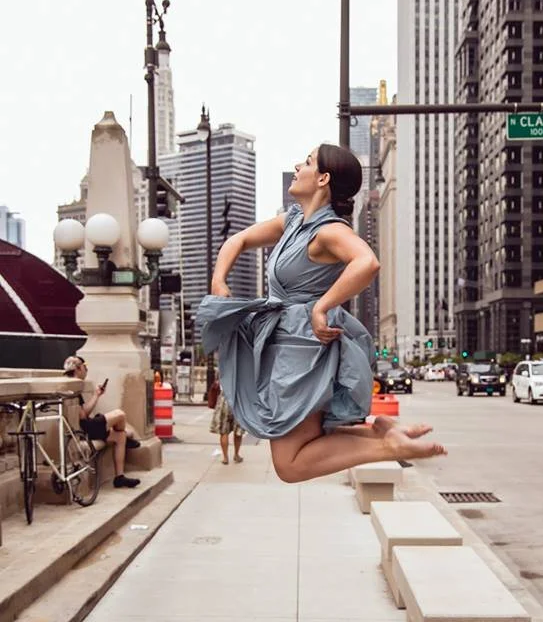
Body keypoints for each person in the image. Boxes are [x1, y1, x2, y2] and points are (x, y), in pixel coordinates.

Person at [196, 143, 447, 484]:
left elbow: (367, 262)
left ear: (323, 178)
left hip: (303, 348)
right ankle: (381, 433)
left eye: (308, 162)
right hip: (286, 343)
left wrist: (322, 306)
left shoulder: (329, 231)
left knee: (290, 463)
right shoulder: (293, 222)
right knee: (297, 451)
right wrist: (219, 280)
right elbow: (237, 240)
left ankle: (388, 444)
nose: (297, 165)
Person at [62, 355, 141, 489]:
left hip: (86, 425)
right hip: (85, 428)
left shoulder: (74, 384)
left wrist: (97, 394)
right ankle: (126, 438)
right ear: (79, 368)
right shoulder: (73, 385)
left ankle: (119, 478)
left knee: (119, 437)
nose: (86, 370)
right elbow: (83, 415)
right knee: (120, 415)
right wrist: (96, 395)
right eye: (85, 366)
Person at [210, 383, 245, 464]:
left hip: (224, 398)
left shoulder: (224, 373)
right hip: (238, 399)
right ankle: (236, 455)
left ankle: (225, 458)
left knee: (224, 431)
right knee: (238, 430)